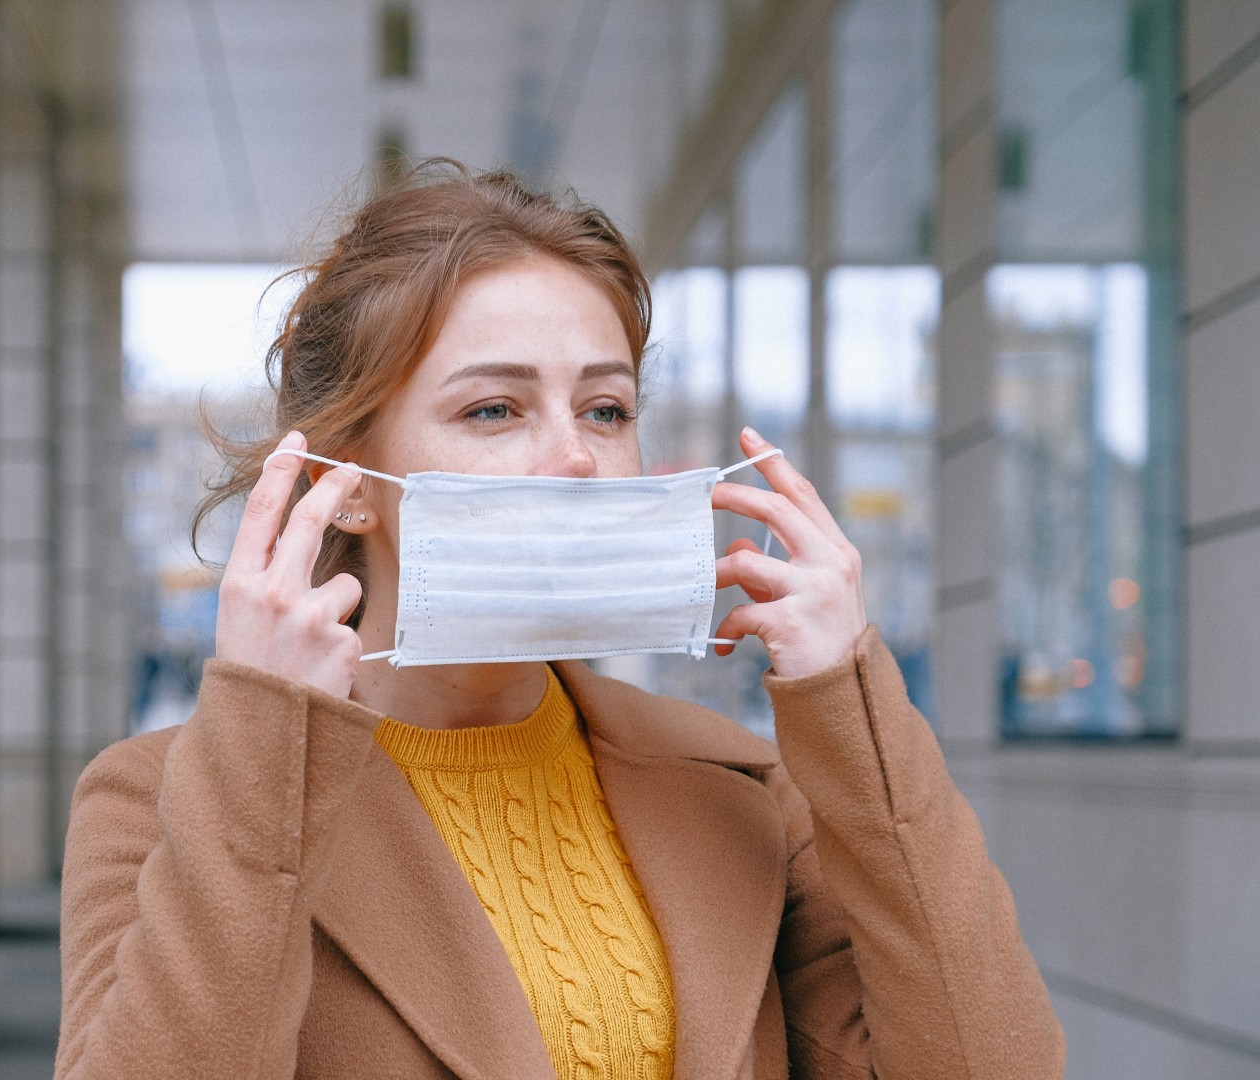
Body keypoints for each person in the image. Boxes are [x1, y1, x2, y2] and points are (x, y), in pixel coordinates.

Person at [55, 162, 1063, 1079]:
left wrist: (853, 706)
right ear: (343, 482)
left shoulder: (741, 791)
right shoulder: (156, 804)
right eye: (494, 410)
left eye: (606, 410)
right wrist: (266, 738)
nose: (576, 458)